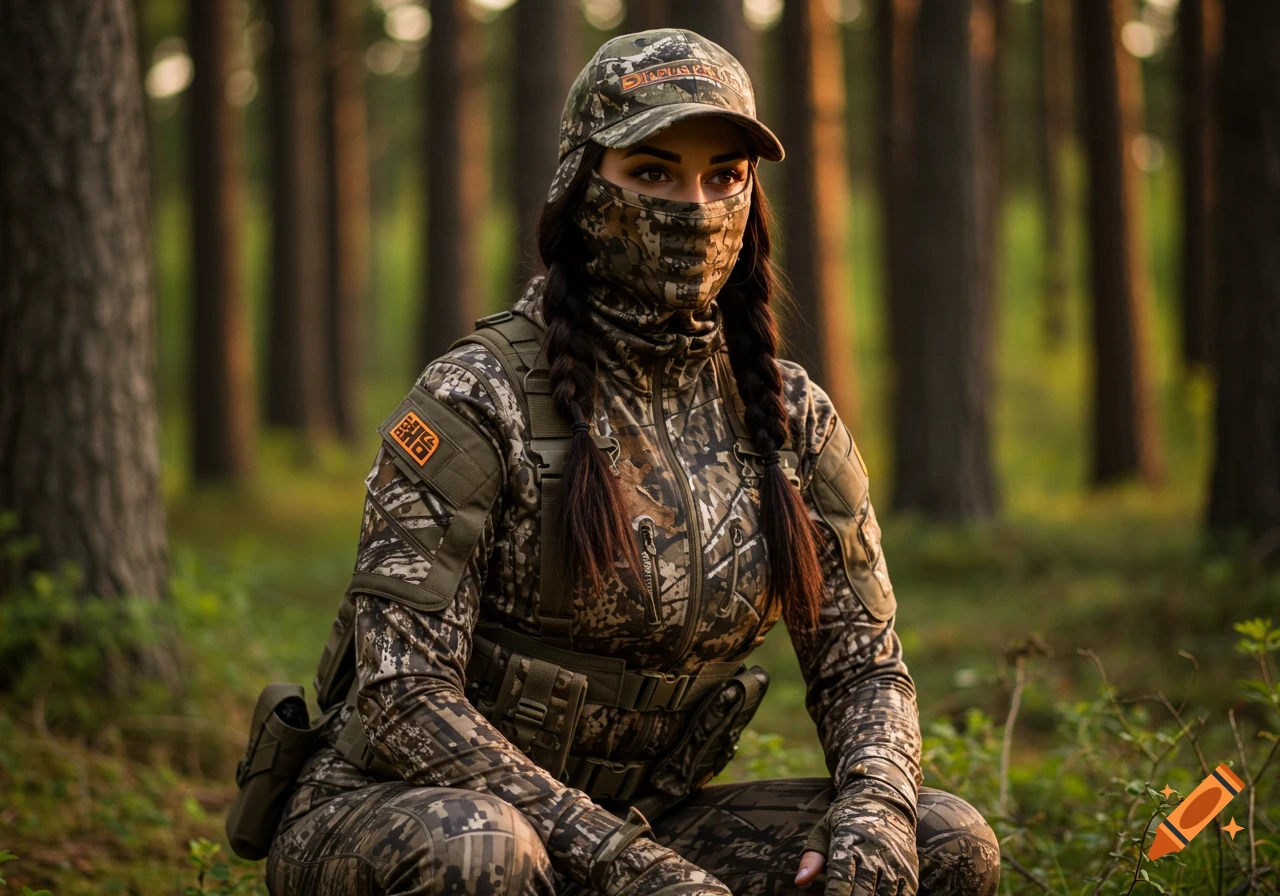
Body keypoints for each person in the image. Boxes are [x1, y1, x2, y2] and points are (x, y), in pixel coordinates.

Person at [263, 28, 1001, 896]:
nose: (694, 204)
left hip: (648, 826)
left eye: (723, 177)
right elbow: (403, 699)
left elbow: (864, 668)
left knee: (946, 840)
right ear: (583, 187)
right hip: (404, 814)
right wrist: (629, 869)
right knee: (484, 853)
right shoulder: (475, 397)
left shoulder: (792, 415)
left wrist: (873, 825)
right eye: (652, 173)